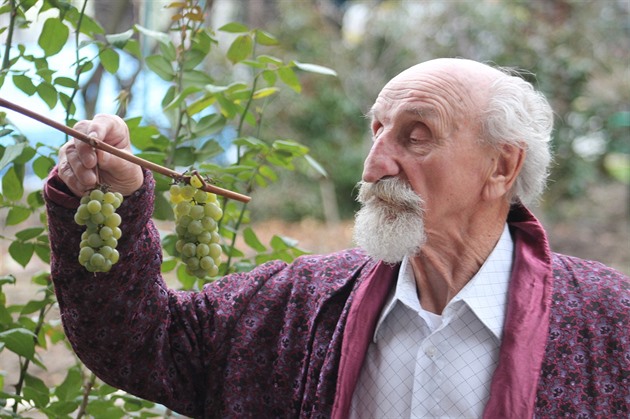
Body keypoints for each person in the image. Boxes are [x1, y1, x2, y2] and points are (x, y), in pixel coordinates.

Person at [45, 58, 629, 418]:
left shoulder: (609, 323)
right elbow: (145, 341)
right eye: (377, 131)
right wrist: (115, 197)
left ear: (501, 168)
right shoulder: (299, 301)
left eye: (415, 135)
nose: (374, 164)